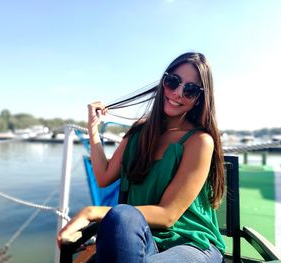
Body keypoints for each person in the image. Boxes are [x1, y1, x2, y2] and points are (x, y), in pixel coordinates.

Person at [57, 52, 225, 262]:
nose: (178, 93)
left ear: (200, 98)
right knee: (123, 218)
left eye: (190, 90)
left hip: (190, 243)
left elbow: (168, 215)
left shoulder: (199, 141)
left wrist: (91, 212)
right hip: (141, 239)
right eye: (173, 82)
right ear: (163, 82)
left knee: (122, 216)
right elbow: (103, 176)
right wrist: (93, 129)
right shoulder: (140, 132)